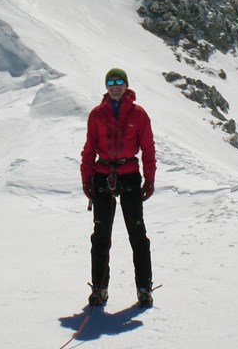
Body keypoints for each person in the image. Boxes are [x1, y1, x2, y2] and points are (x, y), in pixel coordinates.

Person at [80, 68, 156, 308]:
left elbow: (148, 148)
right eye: (111, 82)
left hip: (130, 175)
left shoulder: (139, 114)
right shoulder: (96, 115)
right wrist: (87, 179)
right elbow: (89, 150)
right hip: (103, 176)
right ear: (106, 86)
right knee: (101, 237)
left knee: (137, 235)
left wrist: (149, 179)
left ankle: (144, 289)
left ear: (126, 86)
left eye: (119, 82)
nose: (115, 86)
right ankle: (99, 289)